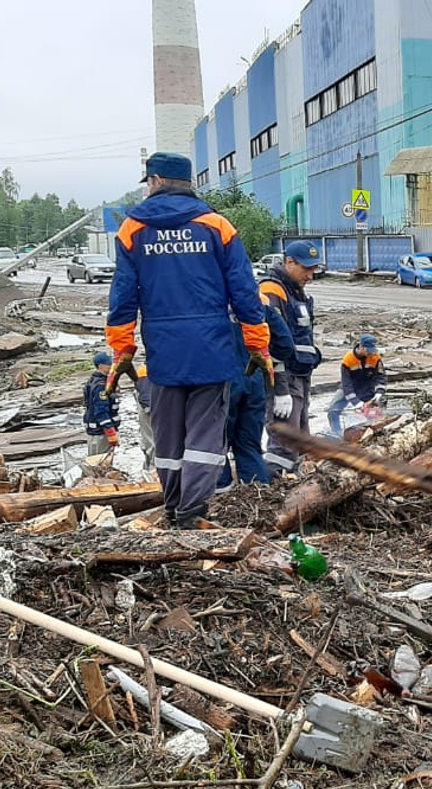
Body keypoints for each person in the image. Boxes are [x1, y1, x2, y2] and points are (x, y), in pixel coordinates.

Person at [105, 151, 271, 529]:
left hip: (163, 350)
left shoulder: (132, 229)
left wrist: (122, 347)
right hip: (212, 347)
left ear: (156, 180)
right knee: (205, 434)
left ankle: (173, 504)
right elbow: (245, 291)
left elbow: (123, 294)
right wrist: (257, 342)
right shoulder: (217, 226)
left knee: (168, 433)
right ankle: (191, 512)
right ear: (187, 182)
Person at [258, 240, 322, 475]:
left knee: (301, 437)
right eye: (306, 269)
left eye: (314, 269)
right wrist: (280, 389)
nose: (310, 276)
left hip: (300, 375)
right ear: (289, 262)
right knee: (284, 442)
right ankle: (276, 491)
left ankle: (300, 488)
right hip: (284, 377)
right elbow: (270, 343)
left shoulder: (295, 291)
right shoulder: (272, 290)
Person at [326, 334, 386, 438]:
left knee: (373, 415)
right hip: (349, 388)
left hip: (367, 388)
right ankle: (337, 434)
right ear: (361, 347)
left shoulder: (375, 358)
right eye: (368, 350)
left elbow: (380, 377)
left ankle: (373, 435)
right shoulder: (348, 360)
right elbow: (346, 384)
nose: (370, 353)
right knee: (333, 410)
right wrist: (356, 403)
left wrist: (379, 393)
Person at [83, 352, 120, 456]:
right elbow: (101, 410)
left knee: (96, 461)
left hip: (96, 430)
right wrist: (110, 431)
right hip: (100, 432)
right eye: (109, 364)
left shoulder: (94, 381)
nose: (111, 366)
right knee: (101, 463)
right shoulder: (101, 386)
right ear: (100, 366)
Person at [133, 364, 155, 474]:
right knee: (153, 442)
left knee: (148, 441)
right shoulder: (144, 371)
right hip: (150, 410)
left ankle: (147, 470)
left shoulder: (145, 369)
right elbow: (145, 393)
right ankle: (152, 472)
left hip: (148, 407)